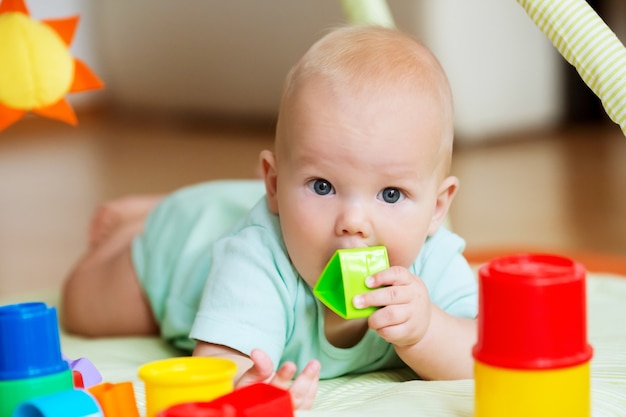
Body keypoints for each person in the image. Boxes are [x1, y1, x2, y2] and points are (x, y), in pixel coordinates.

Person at [60, 25, 478, 410]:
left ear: (437, 207)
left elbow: (483, 349)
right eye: (323, 186)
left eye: (391, 194)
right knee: (82, 306)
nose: (354, 221)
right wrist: (251, 393)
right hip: (179, 249)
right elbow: (221, 368)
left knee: (272, 209)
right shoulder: (258, 259)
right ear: (274, 185)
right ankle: (150, 220)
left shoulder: (431, 259)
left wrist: (427, 331)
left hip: (249, 208)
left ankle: (206, 199)